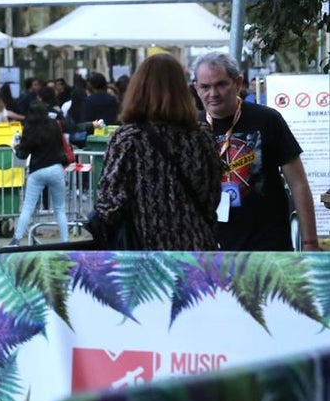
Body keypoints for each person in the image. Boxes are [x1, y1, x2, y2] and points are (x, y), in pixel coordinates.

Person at [193, 52, 321, 252]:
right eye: (205, 87)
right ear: (196, 88)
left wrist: (310, 242)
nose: (213, 93)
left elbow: (298, 183)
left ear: (238, 82)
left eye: (221, 84)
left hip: (267, 245)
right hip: (209, 246)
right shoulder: (190, 127)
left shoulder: (267, 120)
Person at [93, 54, 223, 250]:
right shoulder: (202, 134)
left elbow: (110, 204)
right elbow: (212, 196)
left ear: (138, 89)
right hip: (197, 249)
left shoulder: (128, 138)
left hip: (145, 255)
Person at [9, 102, 70, 247]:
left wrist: (15, 146)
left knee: (28, 207)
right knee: (60, 209)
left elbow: (22, 155)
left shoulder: (29, 130)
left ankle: (16, 239)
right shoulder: (55, 125)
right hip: (56, 169)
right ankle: (65, 241)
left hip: (37, 171)